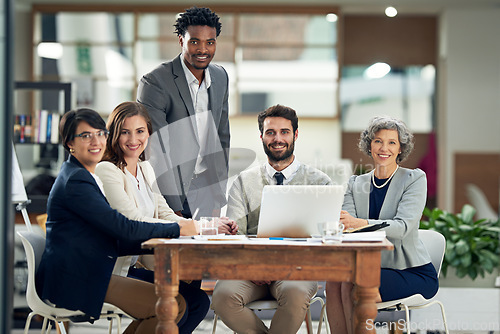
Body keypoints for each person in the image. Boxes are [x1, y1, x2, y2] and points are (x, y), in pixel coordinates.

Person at [35, 108, 199, 333]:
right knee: (172, 305)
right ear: (69, 143)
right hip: (80, 276)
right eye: (85, 136)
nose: (96, 141)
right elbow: (123, 227)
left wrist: (187, 229)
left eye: (99, 134)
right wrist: (178, 229)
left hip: (95, 266)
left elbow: (117, 231)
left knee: (194, 299)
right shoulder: (77, 181)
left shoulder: (84, 175)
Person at [95, 101, 237, 333]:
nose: (133, 139)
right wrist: (200, 227)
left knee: (199, 301)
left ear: (149, 133)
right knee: (174, 305)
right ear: (114, 134)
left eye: (140, 131)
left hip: (132, 266)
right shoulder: (107, 170)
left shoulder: (145, 168)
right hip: (110, 270)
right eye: (125, 132)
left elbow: (166, 214)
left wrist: (208, 227)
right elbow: (133, 221)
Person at [211, 104, 332, 334]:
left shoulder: (320, 182)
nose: (278, 139)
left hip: (297, 271)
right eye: (270, 132)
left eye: (284, 132)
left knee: (295, 295)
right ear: (262, 137)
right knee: (223, 296)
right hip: (251, 271)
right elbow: (236, 235)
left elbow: (322, 241)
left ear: (295, 135)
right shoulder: (242, 183)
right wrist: (253, 266)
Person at [326, 116, 439, 334]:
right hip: (369, 267)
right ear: (369, 144)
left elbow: (403, 227)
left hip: (411, 272)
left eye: (392, 142)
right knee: (333, 282)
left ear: (400, 148)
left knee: (354, 284)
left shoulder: (414, 179)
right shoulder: (355, 183)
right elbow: (347, 227)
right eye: (378, 141)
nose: (384, 148)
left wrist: (362, 223)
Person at [137, 6, 230, 219]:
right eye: (194, 41)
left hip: (207, 190)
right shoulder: (155, 82)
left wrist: (218, 196)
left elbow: (222, 138)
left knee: (207, 251)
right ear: (181, 40)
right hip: (173, 191)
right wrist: (173, 207)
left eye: (210, 42)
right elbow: (156, 149)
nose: (203, 49)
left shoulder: (221, 77)